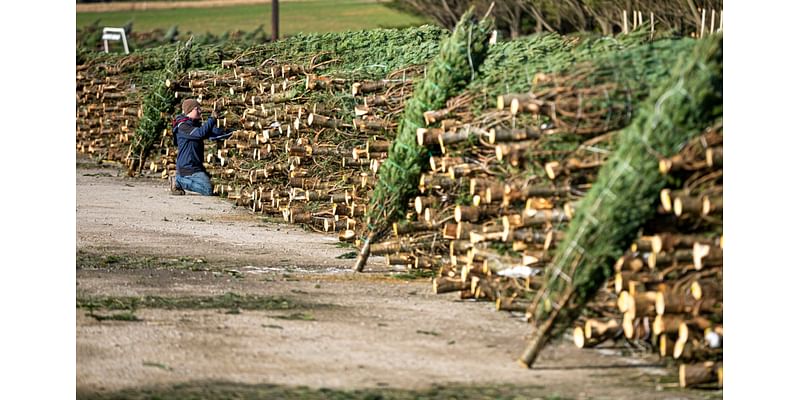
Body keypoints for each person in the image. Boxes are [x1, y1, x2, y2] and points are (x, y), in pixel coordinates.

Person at [169, 99, 231, 195]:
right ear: (189, 110)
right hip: (188, 168)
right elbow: (200, 133)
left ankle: (182, 180)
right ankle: (178, 181)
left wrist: (232, 132)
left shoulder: (194, 124)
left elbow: (213, 135)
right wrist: (212, 119)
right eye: (196, 109)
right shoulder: (183, 127)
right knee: (208, 189)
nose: (200, 111)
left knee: (213, 184)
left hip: (196, 166)